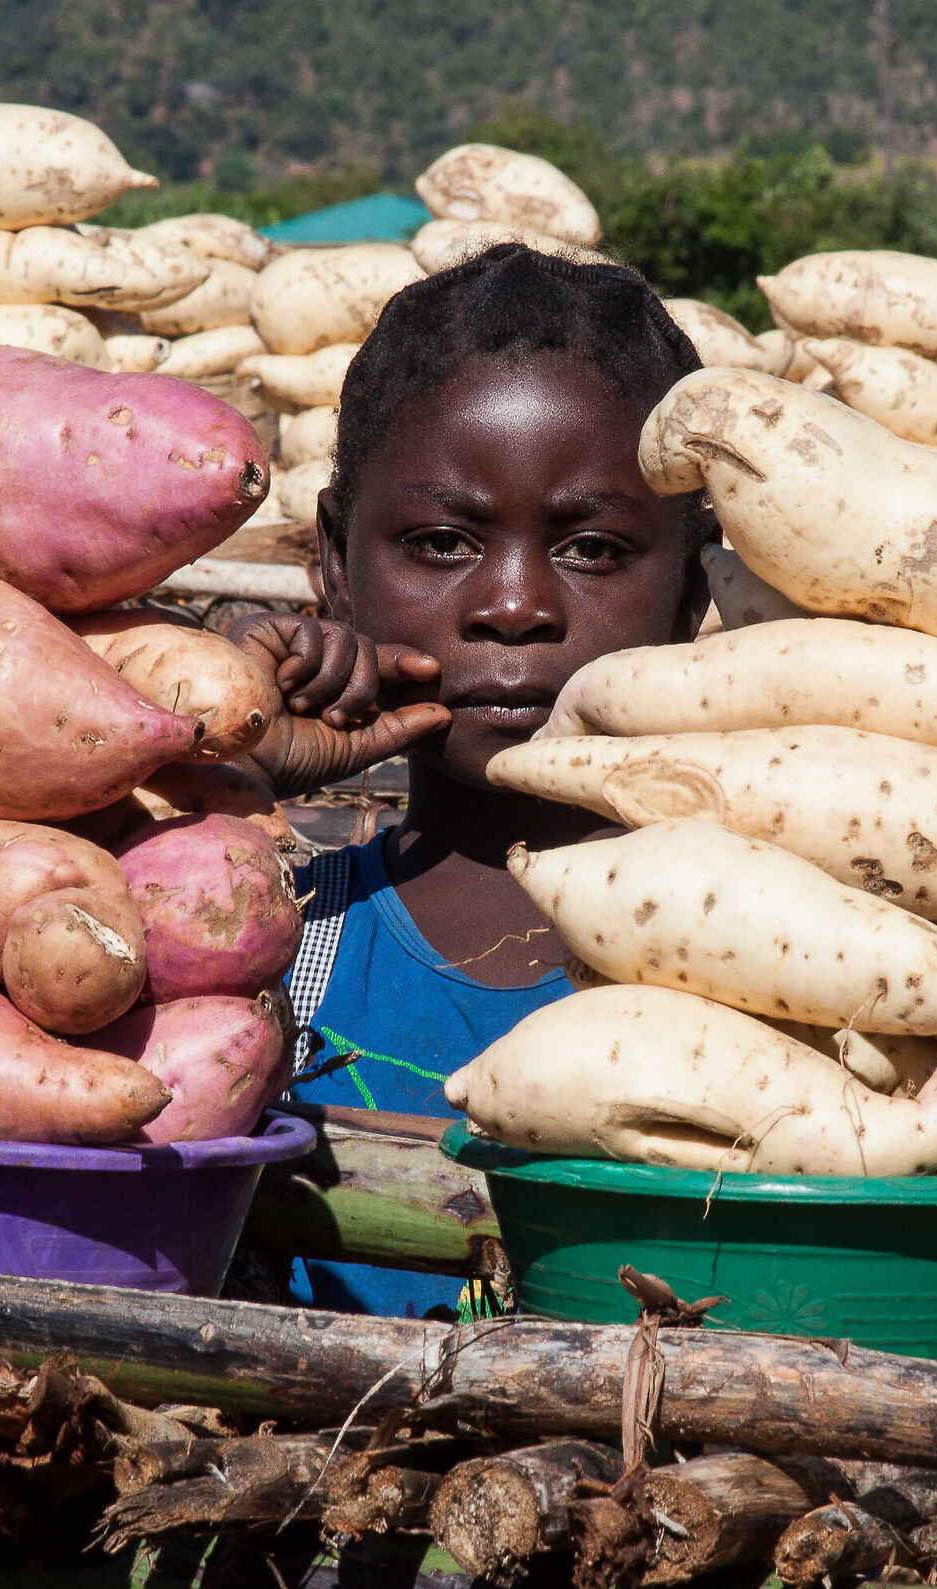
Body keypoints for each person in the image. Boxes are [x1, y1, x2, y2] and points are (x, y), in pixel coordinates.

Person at [225, 243, 716, 1318]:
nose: (514, 603)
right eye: (442, 542)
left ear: (693, 580)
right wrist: (221, 785)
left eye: (591, 548)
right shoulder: (279, 949)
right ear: (334, 563)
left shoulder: (759, 972)